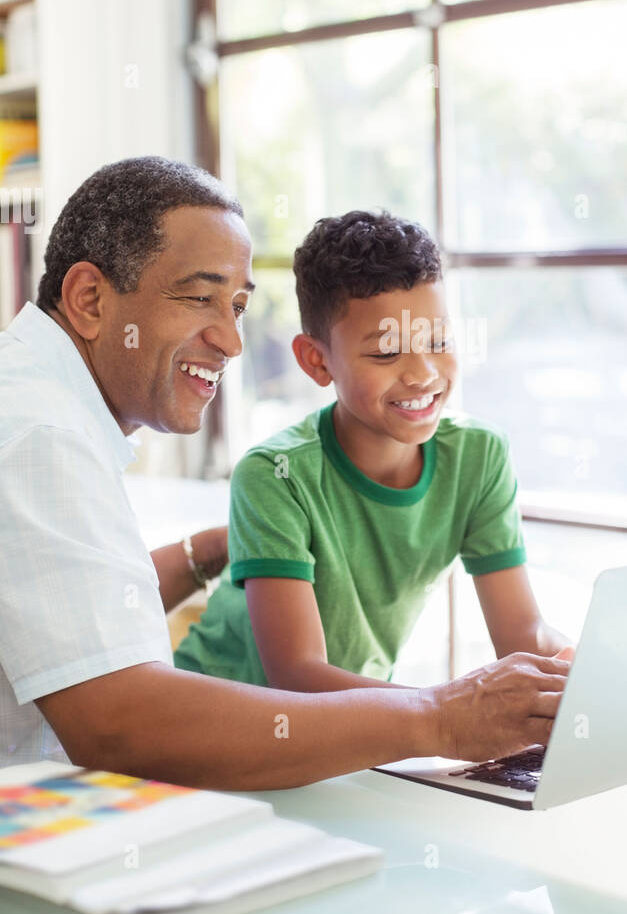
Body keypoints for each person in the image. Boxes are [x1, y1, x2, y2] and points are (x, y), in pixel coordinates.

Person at [0, 158, 568, 787]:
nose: (231, 341)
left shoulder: (40, 408)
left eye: (238, 307)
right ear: (89, 300)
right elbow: (115, 722)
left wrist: (214, 548)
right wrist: (437, 717)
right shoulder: (40, 437)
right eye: (198, 297)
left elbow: (84, 608)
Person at [174, 209, 572, 692]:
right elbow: (299, 677)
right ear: (317, 361)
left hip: (359, 731)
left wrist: (574, 664)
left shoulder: (478, 457)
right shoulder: (275, 475)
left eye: (439, 340)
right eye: (386, 352)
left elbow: (521, 636)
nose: (423, 373)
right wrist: (452, 711)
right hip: (230, 733)